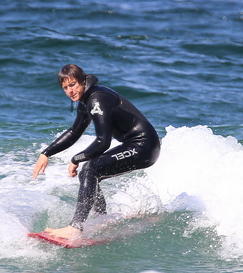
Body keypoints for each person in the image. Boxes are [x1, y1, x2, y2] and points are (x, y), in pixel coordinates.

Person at [32, 64, 160, 241]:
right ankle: (102, 219)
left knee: (90, 168)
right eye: (65, 88)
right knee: (89, 171)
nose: (70, 91)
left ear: (83, 81)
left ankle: (75, 227)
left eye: (73, 84)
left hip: (144, 146)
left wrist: (75, 159)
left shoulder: (97, 99)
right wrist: (46, 153)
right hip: (136, 144)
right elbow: (74, 132)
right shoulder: (86, 100)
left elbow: (103, 142)